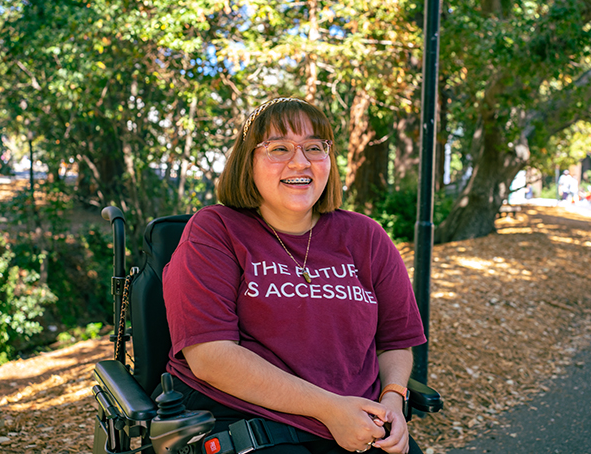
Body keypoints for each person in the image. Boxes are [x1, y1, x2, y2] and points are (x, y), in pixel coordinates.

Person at [162, 98, 426, 454]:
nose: (300, 162)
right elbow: (210, 356)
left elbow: (395, 340)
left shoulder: (365, 236)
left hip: (361, 421)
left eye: (315, 148)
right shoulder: (215, 230)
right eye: (279, 148)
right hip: (248, 420)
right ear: (248, 162)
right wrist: (329, 409)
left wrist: (393, 398)